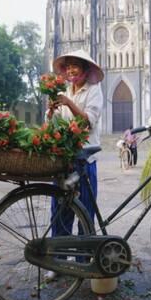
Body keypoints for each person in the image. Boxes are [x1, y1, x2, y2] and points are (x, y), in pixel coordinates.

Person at [45, 50, 104, 279]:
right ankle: (58, 262)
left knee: (85, 212)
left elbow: (88, 122)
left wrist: (69, 103)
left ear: (86, 69)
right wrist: (51, 113)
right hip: (64, 160)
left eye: (75, 66)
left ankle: (82, 263)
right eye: (68, 66)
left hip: (85, 159)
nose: (71, 70)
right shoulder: (63, 92)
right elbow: (53, 124)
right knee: (59, 211)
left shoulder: (94, 91)